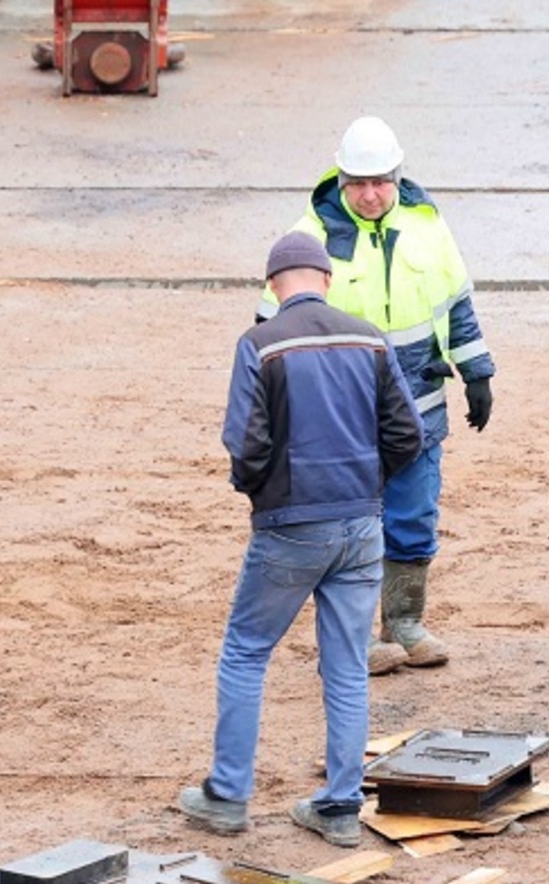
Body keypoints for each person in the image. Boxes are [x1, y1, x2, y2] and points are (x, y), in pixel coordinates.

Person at [179, 232, 423, 848]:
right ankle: (340, 807)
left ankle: (228, 795)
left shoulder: (260, 344)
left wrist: (262, 493)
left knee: (246, 651)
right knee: (346, 667)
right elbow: (407, 435)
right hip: (362, 524)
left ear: (272, 285)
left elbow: (246, 444)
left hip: (290, 524)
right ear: (327, 279)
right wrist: (367, 483)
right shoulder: (369, 338)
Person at [262, 115, 496, 676]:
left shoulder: (426, 224)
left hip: (418, 407)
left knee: (413, 516)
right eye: (359, 184)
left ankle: (404, 622)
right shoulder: (309, 239)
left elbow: (456, 304)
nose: (370, 195)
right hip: (341, 420)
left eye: (380, 183)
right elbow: (272, 331)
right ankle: (353, 637)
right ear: (341, 180)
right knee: (347, 525)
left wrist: (477, 371)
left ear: (397, 177)